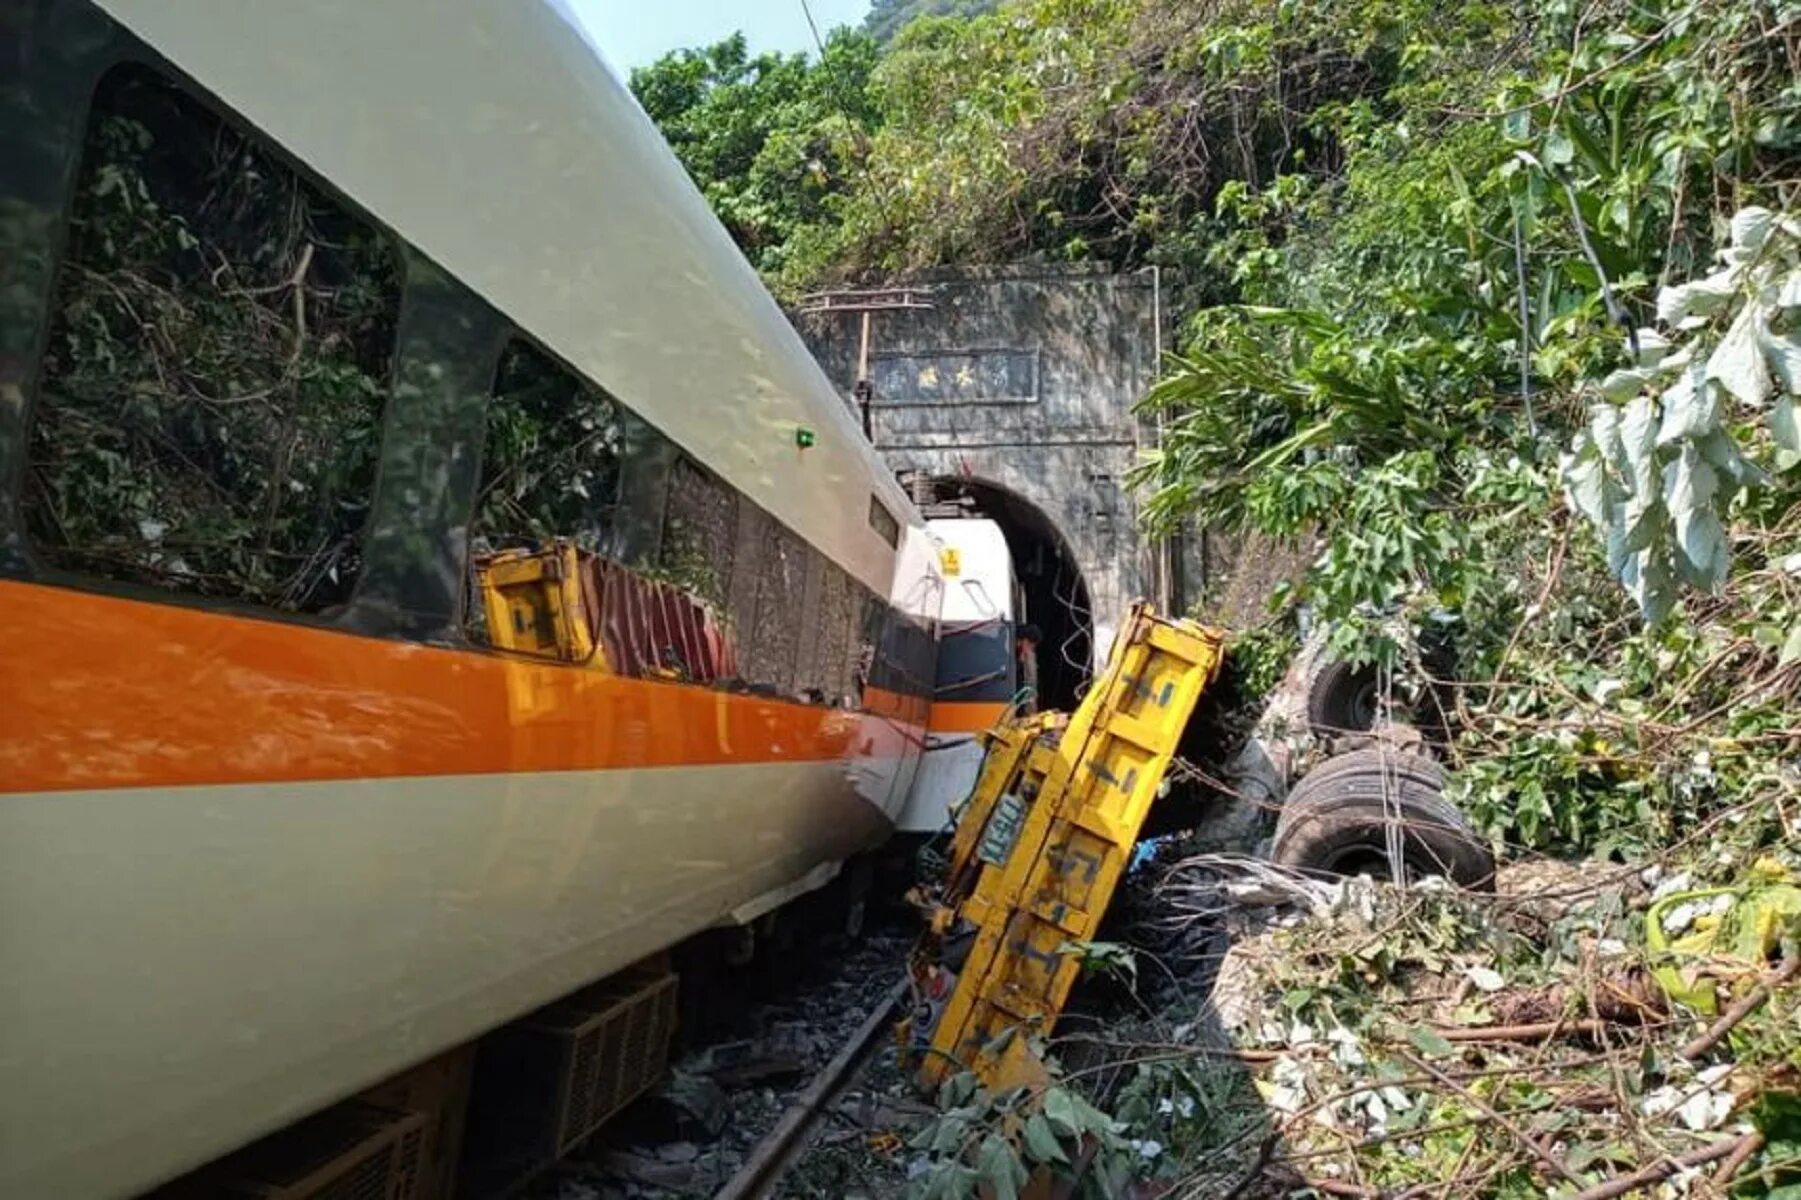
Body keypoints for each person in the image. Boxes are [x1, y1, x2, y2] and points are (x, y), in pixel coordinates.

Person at [1015, 623, 1041, 714]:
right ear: (1025, 641)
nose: (1032, 648)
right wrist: (1020, 661)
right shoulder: (1010, 651)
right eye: (1032, 645)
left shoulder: (1022, 654)